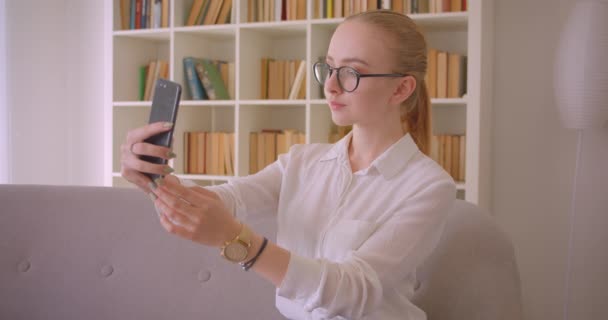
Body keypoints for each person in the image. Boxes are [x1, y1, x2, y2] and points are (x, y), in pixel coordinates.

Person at [121, 9, 456, 320]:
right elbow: (226, 200)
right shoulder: (301, 162)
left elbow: (353, 290)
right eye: (328, 67)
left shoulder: (429, 187)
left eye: (352, 72)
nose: (330, 85)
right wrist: (153, 177)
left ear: (401, 88)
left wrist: (238, 240)